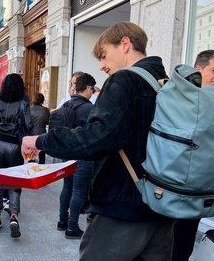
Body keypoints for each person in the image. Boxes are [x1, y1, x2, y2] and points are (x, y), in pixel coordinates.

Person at [22, 22, 174, 260]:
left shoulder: (125, 80)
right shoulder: (166, 83)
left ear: (125, 44)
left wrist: (41, 140)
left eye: (103, 56)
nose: (102, 66)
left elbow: (96, 138)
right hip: (162, 205)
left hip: (123, 207)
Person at [172, 49, 214, 261]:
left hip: (200, 189)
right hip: (175, 184)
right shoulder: (180, 98)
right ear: (198, 69)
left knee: (183, 246)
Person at [0, 73, 32, 238]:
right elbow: (27, 124)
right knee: (15, 182)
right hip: (15, 146)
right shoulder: (23, 102)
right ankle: (14, 216)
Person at [57, 73, 96, 239]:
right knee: (79, 191)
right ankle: (72, 227)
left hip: (68, 154)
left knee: (67, 188)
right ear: (87, 88)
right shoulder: (89, 108)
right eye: (92, 89)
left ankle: (62, 221)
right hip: (83, 156)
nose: (93, 92)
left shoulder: (66, 104)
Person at [30, 93, 50, 164]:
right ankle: (42, 172)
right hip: (42, 133)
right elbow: (47, 122)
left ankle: (31, 172)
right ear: (42, 100)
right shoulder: (46, 110)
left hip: (31, 134)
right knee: (42, 155)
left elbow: (27, 123)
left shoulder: (29, 109)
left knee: (31, 155)